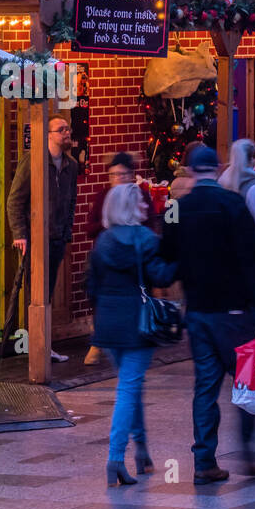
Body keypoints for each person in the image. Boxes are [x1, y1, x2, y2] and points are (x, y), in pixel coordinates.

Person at [160, 146, 255, 484]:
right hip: (237, 313)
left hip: (198, 311)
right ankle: (249, 452)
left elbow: (166, 256)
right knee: (247, 384)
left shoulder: (175, 209)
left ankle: (204, 461)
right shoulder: (234, 205)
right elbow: (254, 260)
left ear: (191, 171)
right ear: (218, 168)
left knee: (205, 388)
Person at [87, 184, 177, 486]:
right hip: (138, 324)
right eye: (139, 202)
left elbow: (91, 288)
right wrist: (180, 259)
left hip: (108, 325)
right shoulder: (146, 239)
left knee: (130, 384)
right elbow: (161, 277)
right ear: (129, 208)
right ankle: (115, 459)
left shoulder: (102, 242)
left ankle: (141, 451)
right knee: (128, 388)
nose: (145, 206)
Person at [7, 115, 79, 363]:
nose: (66, 133)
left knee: (46, 294)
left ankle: (43, 346)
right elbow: (15, 200)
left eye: (67, 129)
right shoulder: (34, 162)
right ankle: (35, 347)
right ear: (48, 135)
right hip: (36, 238)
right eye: (61, 130)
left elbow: (71, 202)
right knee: (35, 295)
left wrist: (67, 231)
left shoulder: (70, 166)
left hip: (57, 237)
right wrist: (20, 235)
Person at [85, 152, 154, 366]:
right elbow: (89, 228)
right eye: (113, 174)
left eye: (123, 174)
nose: (118, 179)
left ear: (131, 175)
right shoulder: (103, 196)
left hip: (134, 267)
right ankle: (99, 343)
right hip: (109, 262)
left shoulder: (140, 196)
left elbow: (149, 221)